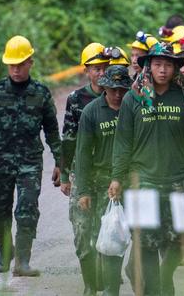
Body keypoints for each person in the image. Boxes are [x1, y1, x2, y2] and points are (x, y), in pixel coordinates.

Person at [110, 42, 184, 296]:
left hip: (178, 180)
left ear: (175, 69)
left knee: (179, 238)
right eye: (158, 64)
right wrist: (117, 177)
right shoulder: (133, 98)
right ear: (149, 66)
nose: (163, 70)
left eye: (168, 65)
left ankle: (162, 277)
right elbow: (123, 142)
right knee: (146, 243)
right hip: (143, 181)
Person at [0, 35, 61, 276]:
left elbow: (52, 129)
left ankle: (23, 261)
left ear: (30, 62)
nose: (16, 69)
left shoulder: (41, 93)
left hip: (30, 162)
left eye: (20, 64)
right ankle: (4, 254)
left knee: (27, 209)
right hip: (0, 162)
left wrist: (61, 162)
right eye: (12, 65)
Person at [74, 65, 132, 296]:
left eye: (121, 89)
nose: (117, 94)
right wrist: (84, 191)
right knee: (109, 236)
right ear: (104, 87)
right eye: (112, 89)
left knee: (139, 238)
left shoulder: (135, 109)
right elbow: (83, 153)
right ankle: (109, 289)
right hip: (102, 185)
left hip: (133, 182)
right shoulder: (91, 112)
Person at [60, 42, 110, 289]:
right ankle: (90, 284)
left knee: (105, 231)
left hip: (107, 173)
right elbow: (68, 137)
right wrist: (65, 175)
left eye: (105, 68)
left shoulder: (117, 97)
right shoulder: (76, 99)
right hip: (81, 173)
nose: (101, 73)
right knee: (82, 233)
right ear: (87, 71)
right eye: (96, 69)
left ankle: (104, 282)